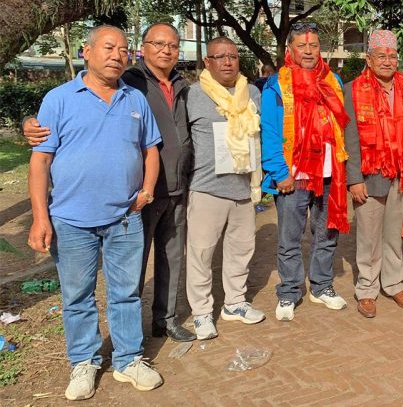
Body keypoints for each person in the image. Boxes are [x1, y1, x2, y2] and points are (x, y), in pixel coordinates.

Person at [23, 22, 196, 342]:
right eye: (158, 43)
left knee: (162, 264)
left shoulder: (181, 86)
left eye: (172, 45)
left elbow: (171, 139)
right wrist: (29, 123)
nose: (167, 50)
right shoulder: (130, 81)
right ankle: (103, 350)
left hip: (170, 188)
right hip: (126, 201)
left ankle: (161, 323)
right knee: (118, 277)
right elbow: (62, 121)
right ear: (143, 48)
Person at [27, 25, 163, 400]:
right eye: (108, 47)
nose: (117, 55)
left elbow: (151, 149)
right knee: (77, 296)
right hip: (71, 221)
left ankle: (128, 358)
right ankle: (84, 362)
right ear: (87, 52)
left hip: (124, 218)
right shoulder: (59, 99)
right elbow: (40, 163)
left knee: (126, 293)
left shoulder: (135, 99)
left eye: (123, 49)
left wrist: (147, 190)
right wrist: (41, 217)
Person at [261, 23, 350, 322]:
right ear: (290, 50)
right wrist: (278, 171)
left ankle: (321, 286)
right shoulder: (276, 84)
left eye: (314, 46)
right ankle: (289, 291)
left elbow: (343, 127)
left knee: (326, 235)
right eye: (302, 45)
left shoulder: (333, 81)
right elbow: (270, 132)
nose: (309, 51)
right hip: (293, 176)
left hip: (329, 174)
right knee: (290, 238)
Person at [185, 36, 265, 340]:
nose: (228, 62)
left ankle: (234, 303)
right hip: (207, 189)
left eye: (232, 56)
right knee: (201, 254)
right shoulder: (193, 95)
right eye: (220, 57)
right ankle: (202, 312)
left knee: (241, 250)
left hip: (245, 187)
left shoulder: (252, 93)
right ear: (208, 62)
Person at [344, 30, 403, 318]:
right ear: (369, 59)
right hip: (368, 173)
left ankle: (395, 282)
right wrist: (354, 179)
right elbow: (350, 137)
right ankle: (367, 289)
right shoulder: (352, 89)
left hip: (400, 173)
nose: (387, 61)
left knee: (393, 235)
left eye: (392, 56)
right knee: (368, 237)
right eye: (381, 56)